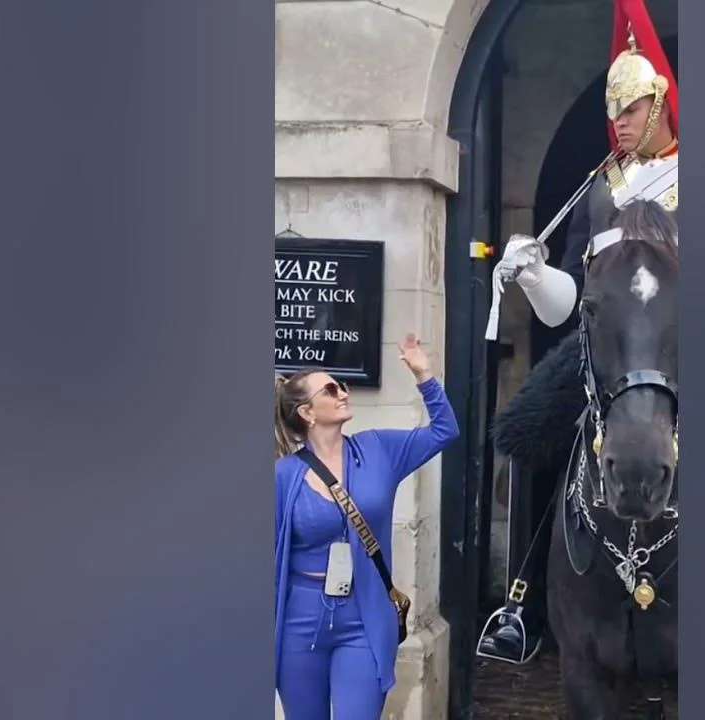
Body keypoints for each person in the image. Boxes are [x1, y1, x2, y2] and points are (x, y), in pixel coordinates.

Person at [477, 0, 679, 665]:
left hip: (680, 343)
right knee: (529, 431)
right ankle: (523, 602)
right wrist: (534, 275)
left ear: (660, 104)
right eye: (613, 109)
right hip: (608, 346)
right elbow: (566, 301)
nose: (619, 120)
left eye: (631, 108)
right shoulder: (600, 188)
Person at [274, 334, 459, 720]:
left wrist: (423, 375)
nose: (343, 393)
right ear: (307, 412)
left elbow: (445, 431)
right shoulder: (283, 476)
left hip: (363, 614)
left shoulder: (378, 449)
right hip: (299, 616)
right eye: (330, 390)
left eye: (341, 385)